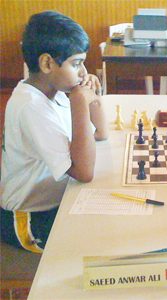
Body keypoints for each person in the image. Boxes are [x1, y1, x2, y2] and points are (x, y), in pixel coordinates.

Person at [0, 11, 108, 253]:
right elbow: (84, 171)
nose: (83, 73)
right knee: (96, 247)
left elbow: (100, 133)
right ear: (47, 63)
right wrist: (80, 104)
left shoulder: (55, 91)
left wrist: (93, 98)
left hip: (57, 201)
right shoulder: (31, 106)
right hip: (29, 219)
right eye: (76, 63)